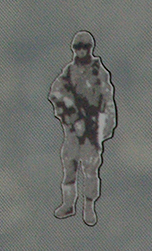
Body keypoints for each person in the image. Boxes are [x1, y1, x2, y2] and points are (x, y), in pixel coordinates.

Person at [48, 32, 117, 227]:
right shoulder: (69, 71)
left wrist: (104, 129)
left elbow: (107, 100)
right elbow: (55, 91)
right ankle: (69, 204)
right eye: (78, 47)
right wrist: (70, 111)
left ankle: (89, 206)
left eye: (84, 47)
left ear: (90, 48)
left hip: (91, 128)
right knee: (69, 166)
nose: (81, 51)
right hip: (73, 128)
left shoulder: (98, 73)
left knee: (90, 170)